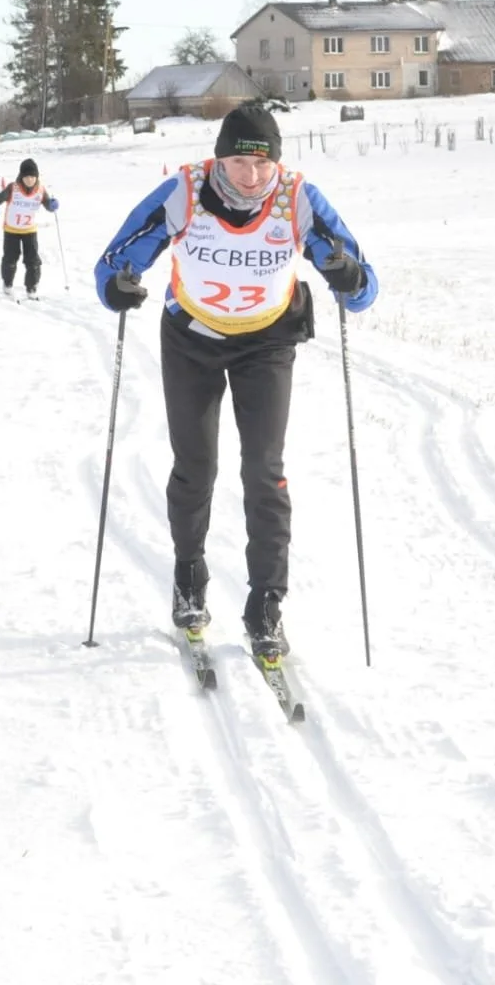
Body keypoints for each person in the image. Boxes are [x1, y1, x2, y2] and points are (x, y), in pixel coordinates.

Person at [92, 105, 378, 663]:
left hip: (266, 343)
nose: (251, 175)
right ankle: (189, 577)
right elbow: (117, 258)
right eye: (239, 162)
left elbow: (362, 284)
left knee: (264, 469)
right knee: (195, 465)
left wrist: (350, 279)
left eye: (262, 163)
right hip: (192, 338)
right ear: (219, 158)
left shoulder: (296, 198)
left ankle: (266, 603)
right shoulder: (186, 191)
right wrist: (117, 286)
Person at [0, 158, 59, 298]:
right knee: (10, 259)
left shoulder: (40, 190)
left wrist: (52, 205)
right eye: (26, 177)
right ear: (21, 176)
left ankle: (31, 288)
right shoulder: (13, 188)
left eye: (32, 176)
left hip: (29, 230)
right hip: (11, 230)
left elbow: (47, 204)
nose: (29, 179)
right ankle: (7, 284)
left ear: (36, 177)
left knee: (33, 261)